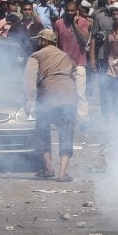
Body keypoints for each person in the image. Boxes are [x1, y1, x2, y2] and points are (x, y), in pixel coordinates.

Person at [23, 29, 77, 182]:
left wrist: (29, 100)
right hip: (68, 96)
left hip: (48, 96)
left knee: (42, 130)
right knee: (66, 132)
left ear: (44, 42)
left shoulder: (36, 55)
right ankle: (62, 173)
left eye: (38, 41)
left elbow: (29, 79)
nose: (37, 44)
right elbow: (74, 75)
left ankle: (48, 168)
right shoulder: (66, 56)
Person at [54, 1, 90, 127]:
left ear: (77, 11)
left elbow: (85, 40)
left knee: (80, 94)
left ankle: (82, 120)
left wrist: (75, 25)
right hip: (64, 64)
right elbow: (57, 43)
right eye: (68, 11)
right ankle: (65, 118)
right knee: (64, 94)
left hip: (79, 63)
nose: (70, 13)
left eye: (72, 11)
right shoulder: (59, 23)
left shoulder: (83, 22)